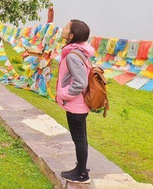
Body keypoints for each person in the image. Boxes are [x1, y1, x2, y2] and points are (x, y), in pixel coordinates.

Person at [56, 19, 95, 184]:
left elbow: (80, 83)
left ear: (71, 35)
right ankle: (80, 168)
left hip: (76, 105)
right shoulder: (79, 52)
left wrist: (63, 94)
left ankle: (81, 174)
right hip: (78, 104)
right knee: (81, 138)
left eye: (66, 27)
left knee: (79, 139)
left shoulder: (72, 55)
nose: (63, 29)